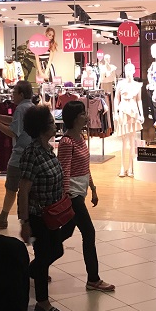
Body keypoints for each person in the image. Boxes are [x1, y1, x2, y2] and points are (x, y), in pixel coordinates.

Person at [58, 101, 115, 292]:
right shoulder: (66, 142)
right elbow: (64, 172)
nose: (86, 116)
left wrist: (93, 188)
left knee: (64, 233)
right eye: (82, 114)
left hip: (80, 193)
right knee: (88, 233)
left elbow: (85, 167)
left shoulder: (80, 138)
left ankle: (39, 260)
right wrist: (66, 197)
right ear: (74, 119)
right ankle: (93, 278)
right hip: (72, 195)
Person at [17, 105, 66, 311]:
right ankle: (42, 303)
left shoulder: (47, 148)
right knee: (45, 255)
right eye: (51, 121)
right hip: (38, 215)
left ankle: (25, 273)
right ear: (43, 126)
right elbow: (23, 189)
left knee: (56, 251)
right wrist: (24, 221)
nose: (54, 124)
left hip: (52, 213)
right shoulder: (32, 153)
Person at [0, 80, 33, 229]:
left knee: (11, 187)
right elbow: (15, 122)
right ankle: (8, 217)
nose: (12, 95)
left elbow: (13, 131)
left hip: (19, 155)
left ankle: (4, 217)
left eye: (14, 92)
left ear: (21, 94)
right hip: (29, 153)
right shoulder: (30, 107)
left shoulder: (20, 108)